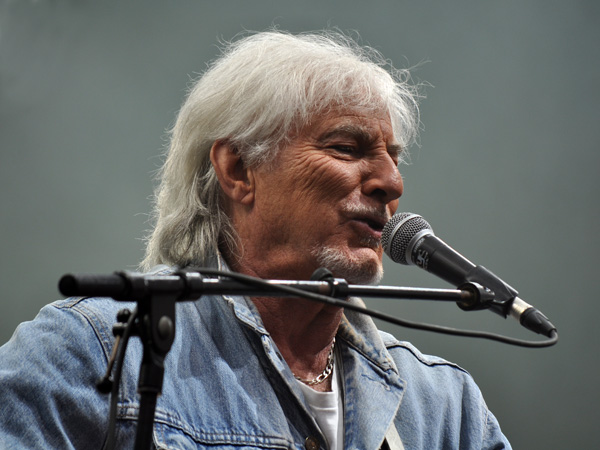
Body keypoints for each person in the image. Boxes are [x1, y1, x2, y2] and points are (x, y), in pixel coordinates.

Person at [0, 30, 511, 449]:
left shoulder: (444, 407)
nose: (391, 182)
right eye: (346, 147)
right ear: (238, 169)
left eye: (393, 157)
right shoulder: (93, 350)